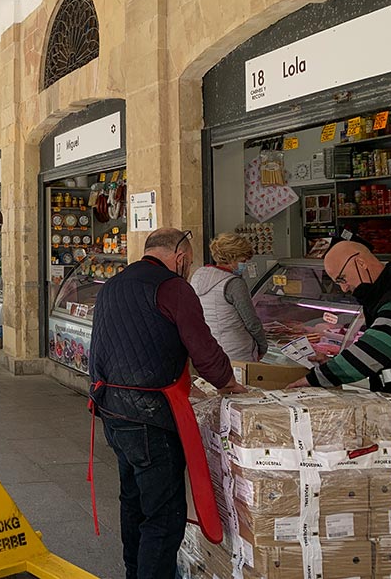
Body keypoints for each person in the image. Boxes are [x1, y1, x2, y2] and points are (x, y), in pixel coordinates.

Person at [89, 227, 246, 579]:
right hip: (151, 416)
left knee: (133, 501)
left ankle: (135, 571)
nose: (187, 268)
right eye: (187, 262)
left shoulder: (113, 284)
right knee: (164, 514)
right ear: (180, 256)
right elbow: (202, 348)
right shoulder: (174, 288)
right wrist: (229, 383)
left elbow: (96, 348)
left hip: (112, 410)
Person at [288, 240, 391, 393]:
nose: (344, 288)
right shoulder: (380, 291)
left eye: (342, 279)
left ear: (360, 263)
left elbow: (372, 352)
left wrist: (315, 379)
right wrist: (333, 363)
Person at [190, 233, 267, 361]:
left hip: (210, 350)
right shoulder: (234, 283)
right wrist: (263, 346)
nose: (245, 265)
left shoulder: (198, 276)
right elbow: (251, 321)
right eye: (242, 261)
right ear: (232, 258)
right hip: (237, 352)